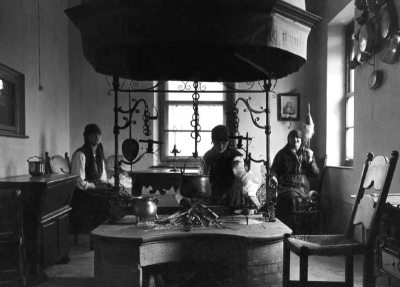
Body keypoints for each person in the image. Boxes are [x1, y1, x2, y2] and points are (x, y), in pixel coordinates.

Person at [70, 123, 113, 248]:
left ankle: (109, 235)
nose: (97, 136)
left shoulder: (98, 153)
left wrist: (107, 185)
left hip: (94, 190)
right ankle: (98, 239)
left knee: (115, 195)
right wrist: (97, 187)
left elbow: (102, 176)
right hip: (82, 195)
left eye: (99, 134)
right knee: (105, 202)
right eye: (94, 134)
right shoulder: (80, 155)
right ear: (87, 137)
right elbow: (79, 182)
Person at [203, 125, 261, 210]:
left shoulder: (235, 157)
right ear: (212, 141)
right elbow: (202, 178)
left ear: (228, 142)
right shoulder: (207, 156)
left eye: (224, 143)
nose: (221, 147)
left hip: (233, 202)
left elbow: (244, 174)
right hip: (213, 202)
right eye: (218, 143)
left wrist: (251, 194)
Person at [270, 129, 319, 229]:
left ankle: (295, 228)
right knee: (290, 199)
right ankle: (287, 227)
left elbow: (315, 173)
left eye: (298, 138)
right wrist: (273, 177)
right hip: (286, 185)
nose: (296, 140)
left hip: (302, 186)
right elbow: (274, 169)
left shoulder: (306, 154)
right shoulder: (282, 154)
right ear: (289, 140)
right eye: (293, 138)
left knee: (294, 198)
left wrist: (310, 161)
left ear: (301, 141)